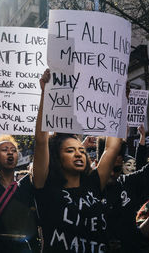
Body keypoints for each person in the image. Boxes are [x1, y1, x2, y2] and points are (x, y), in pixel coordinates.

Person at [33, 69, 122, 252]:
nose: (79, 154)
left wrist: (119, 98)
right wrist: (45, 94)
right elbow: (41, 141)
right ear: (57, 157)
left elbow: (112, 147)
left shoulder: (93, 183)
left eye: (81, 150)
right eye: (70, 150)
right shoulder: (46, 187)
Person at [0, 134, 40, 252]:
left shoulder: (26, 185)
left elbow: (42, 158)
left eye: (13, 150)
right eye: (4, 150)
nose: (10, 153)